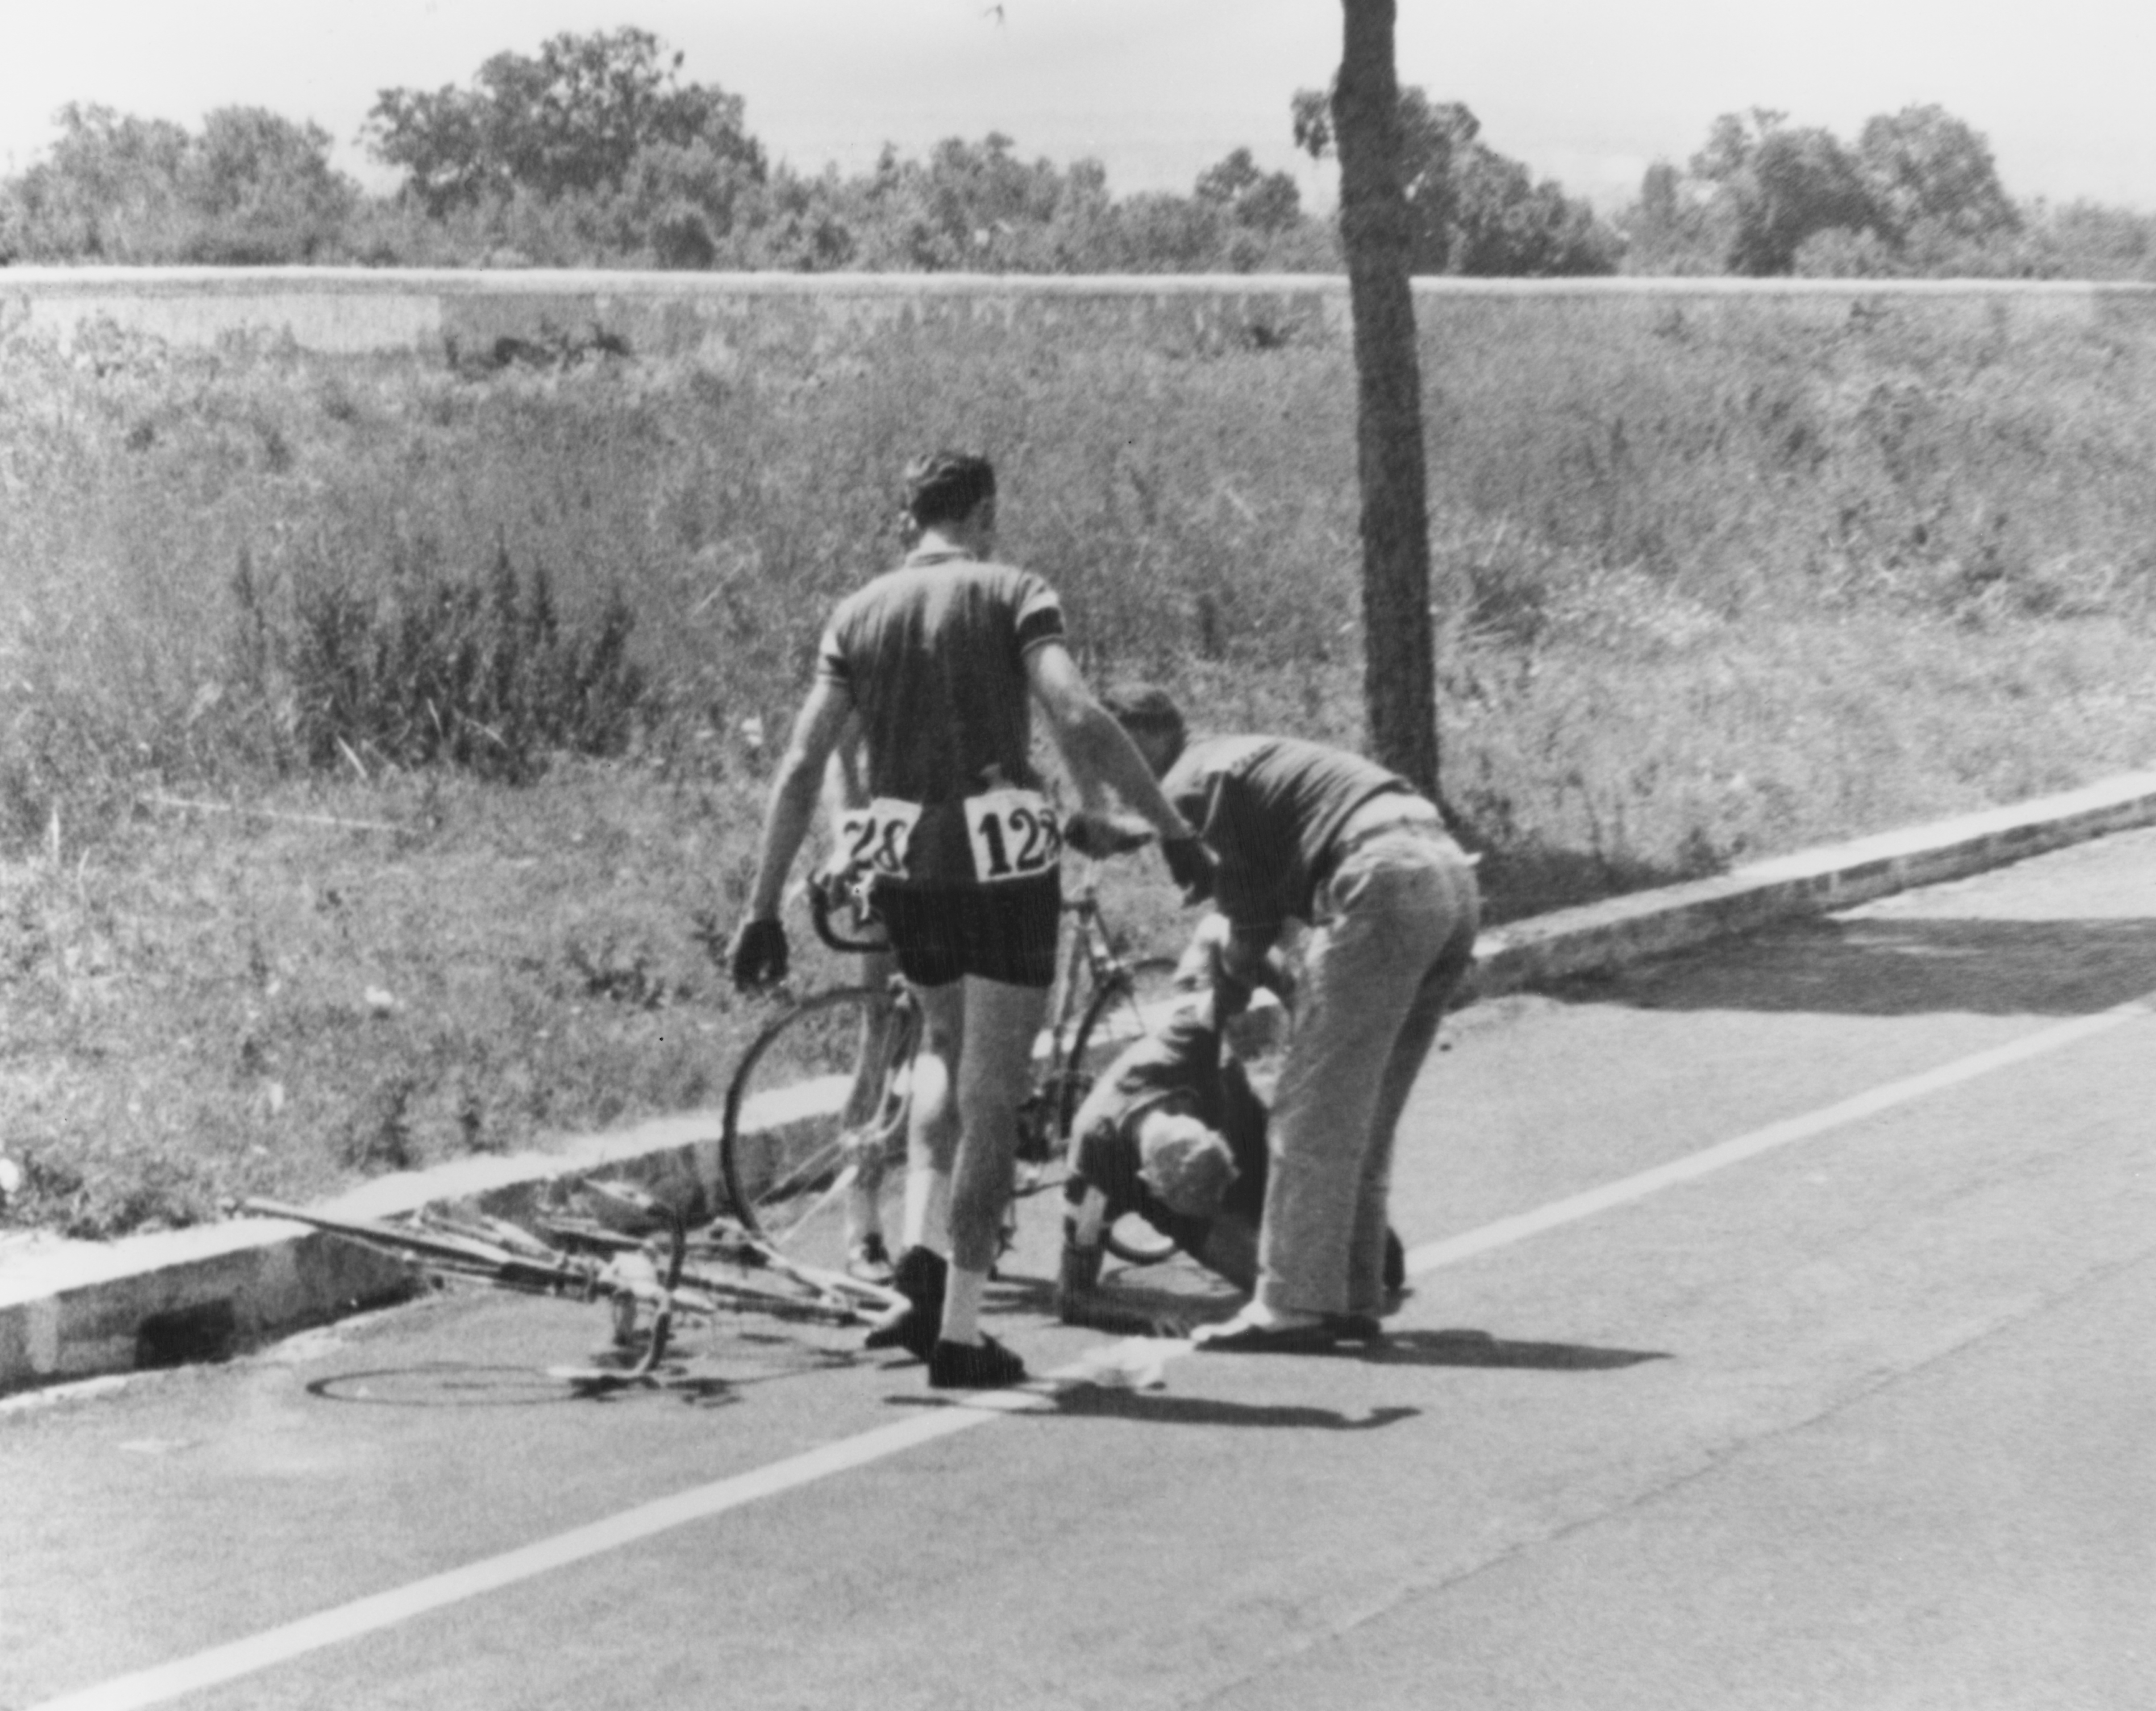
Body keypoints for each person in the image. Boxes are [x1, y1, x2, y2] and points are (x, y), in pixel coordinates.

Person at [728, 452, 1212, 1389]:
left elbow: (800, 764)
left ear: (912, 520)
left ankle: (918, 1265)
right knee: (995, 1092)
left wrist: (761, 909)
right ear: (984, 513)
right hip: (1004, 868)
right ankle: (958, 1331)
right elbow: (1075, 712)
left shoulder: (857, 613)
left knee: (941, 1048)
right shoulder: (1014, 589)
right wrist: (1171, 827)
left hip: (905, 863)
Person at [1103, 685, 1479, 1352]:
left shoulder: (1187, 783)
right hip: (1444, 869)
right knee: (1361, 1114)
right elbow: (1253, 911)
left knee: (1307, 1113)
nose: (1111, 778)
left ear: (1140, 740)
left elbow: (1243, 931)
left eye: (1111, 755)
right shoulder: (1232, 758)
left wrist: (1214, 1013)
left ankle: (1291, 1307)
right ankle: (1350, 1295)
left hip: (1380, 877)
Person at [1055, 917, 1406, 1337]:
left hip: (1238, 1121)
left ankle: (1290, 1206)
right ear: (1150, 1184)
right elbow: (1072, 1299)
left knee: (1383, 1262)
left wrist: (1298, 1002)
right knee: (1290, 1293)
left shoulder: (1181, 1044)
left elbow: (1221, 930)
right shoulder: (1094, 1168)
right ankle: (1244, 1234)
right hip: (1186, 1201)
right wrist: (1146, 1322)